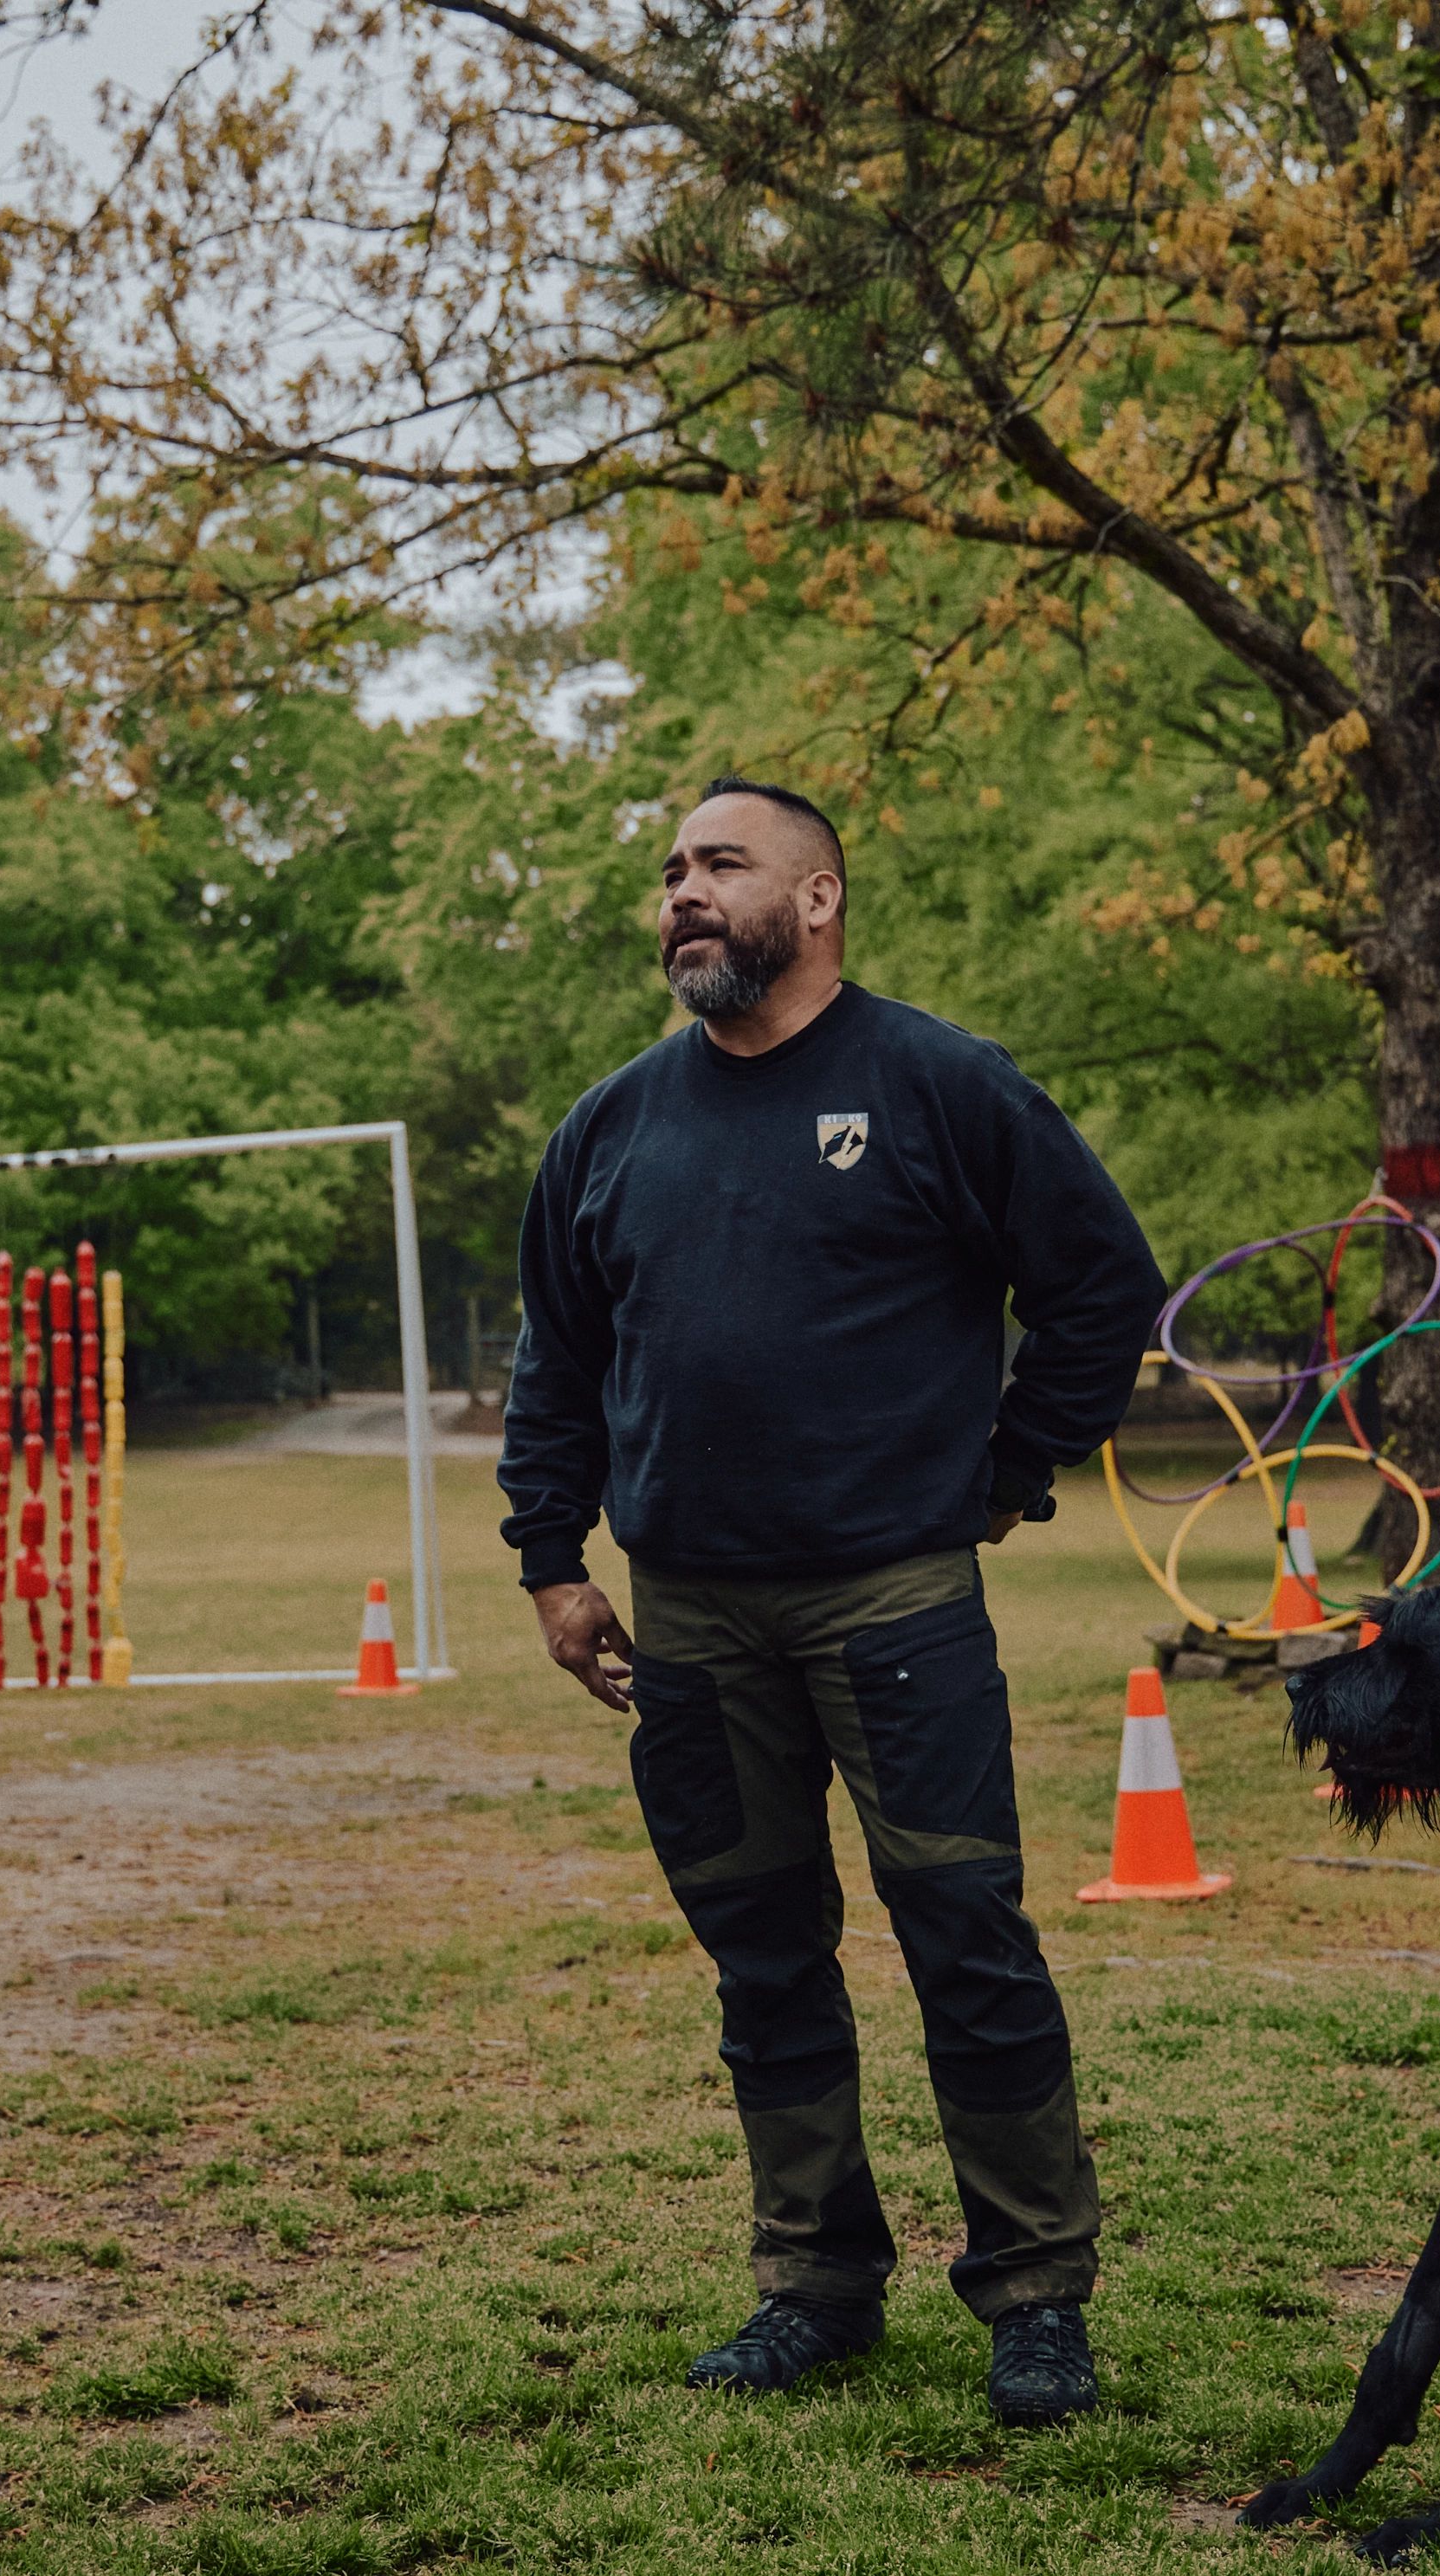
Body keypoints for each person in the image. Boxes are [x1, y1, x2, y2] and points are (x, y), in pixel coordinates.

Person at [500, 778, 1162, 2427]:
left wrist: (1009, 1470)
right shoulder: (611, 1126)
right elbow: (556, 1362)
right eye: (672, 870)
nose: (683, 891)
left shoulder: (941, 1084)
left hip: (893, 1605)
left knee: (968, 1943)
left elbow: (1101, 1288)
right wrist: (552, 1560)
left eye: (721, 864)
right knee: (763, 1959)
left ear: (816, 899)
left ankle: (1036, 2297)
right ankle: (814, 2282)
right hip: (691, 1616)